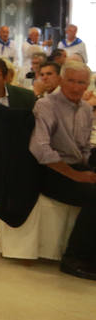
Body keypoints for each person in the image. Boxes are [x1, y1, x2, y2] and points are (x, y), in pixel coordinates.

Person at [28, 63, 96, 280]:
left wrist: (86, 169)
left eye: (81, 82)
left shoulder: (86, 109)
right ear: (61, 81)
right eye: (71, 81)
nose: (76, 88)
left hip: (76, 167)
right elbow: (40, 150)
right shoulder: (47, 105)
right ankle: (73, 258)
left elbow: (84, 148)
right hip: (50, 171)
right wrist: (76, 175)